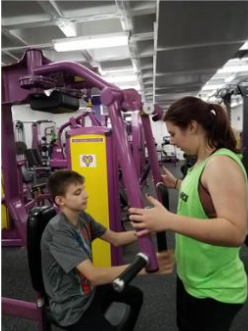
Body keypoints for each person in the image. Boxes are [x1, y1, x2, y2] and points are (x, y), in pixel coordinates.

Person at [129, 96, 248, 331]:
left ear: (192, 127)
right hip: (193, 279)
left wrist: (169, 220)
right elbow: (204, 196)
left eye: (174, 134)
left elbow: (236, 232)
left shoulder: (221, 164)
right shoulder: (200, 163)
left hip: (215, 289)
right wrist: (177, 185)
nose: (172, 141)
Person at [41, 169, 171, 331]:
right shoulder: (58, 231)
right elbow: (94, 276)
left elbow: (116, 239)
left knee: (135, 296)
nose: (86, 195)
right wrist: (145, 268)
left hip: (90, 291)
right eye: (77, 193)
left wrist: (147, 230)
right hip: (71, 307)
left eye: (84, 189)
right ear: (60, 200)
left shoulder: (82, 217)